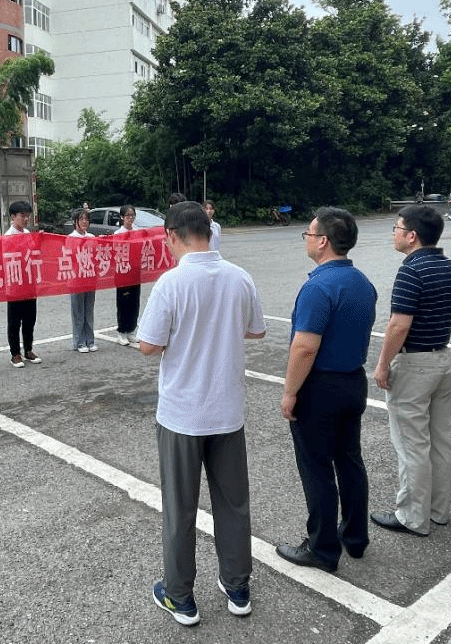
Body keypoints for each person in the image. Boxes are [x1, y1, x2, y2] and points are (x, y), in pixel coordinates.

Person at [138, 201, 266, 626]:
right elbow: (256, 329)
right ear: (209, 233)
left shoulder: (171, 283)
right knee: (233, 503)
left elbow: (148, 345)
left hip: (182, 415)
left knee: (180, 508)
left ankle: (180, 596)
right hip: (227, 411)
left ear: (171, 235)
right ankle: (237, 587)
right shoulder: (239, 277)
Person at [277, 207, 376, 572]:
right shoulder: (361, 282)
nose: (306, 239)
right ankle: (355, 536)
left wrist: (290, 392)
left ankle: (322, 548)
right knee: (349, 460)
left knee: (317, 468)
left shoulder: (318, 287)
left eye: (309, 233)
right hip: (353, 381)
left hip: (321, 386)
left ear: (322, 241)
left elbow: (305, 346)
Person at [370, 206, 451, 536]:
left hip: (414, 364)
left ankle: (412, 516)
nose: (394, 234)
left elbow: (399, 324)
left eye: (397, 228)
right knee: (439, 440)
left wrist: (383, 363)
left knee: (412, 445)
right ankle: (438, 510)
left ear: (412, 236)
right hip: (441, 358)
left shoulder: (411, 270)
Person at [5, 201, 42, 367]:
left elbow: (33, 255)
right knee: (14, 321)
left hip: (29, 282)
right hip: (14, 283)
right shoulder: (8, 236)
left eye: (28, 216)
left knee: (30, 319)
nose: (26, 219)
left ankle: (28, 349)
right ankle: (15, 353)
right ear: (13, 217)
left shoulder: (28, 233)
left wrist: (39, 241)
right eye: (22, 216)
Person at [68, 208, 98, 352]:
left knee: (89, 311)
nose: (84, 222)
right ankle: (79, 342)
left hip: (90, 278)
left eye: (86, 219)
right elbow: (68, 258)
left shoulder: (91, 237)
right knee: (78, 312)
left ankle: (90, 341)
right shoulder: (70, 238)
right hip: (76, 279)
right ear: (75, 222)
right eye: (81, 219)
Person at [113, 205, 142, 346]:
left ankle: (131, 330)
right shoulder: (118, 233)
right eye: (127, 215)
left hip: (135, 271)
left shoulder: (137, 232)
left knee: (134, 302)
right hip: (122, 272)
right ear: (122, 217)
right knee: (123, 302)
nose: (130, 218)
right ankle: (122, 332)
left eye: (132, 215)